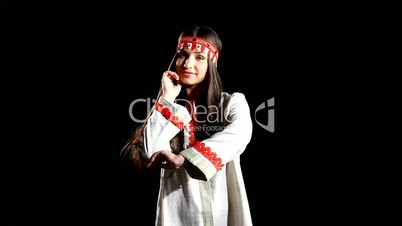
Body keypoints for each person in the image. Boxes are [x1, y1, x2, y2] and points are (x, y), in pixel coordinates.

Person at [122, 24, 253, 226]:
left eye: (199, 57)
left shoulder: (230, 103)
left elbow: (240, 133)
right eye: (183, 55)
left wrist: (182, 159)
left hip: (220, 212)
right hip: (177, 215)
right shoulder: (170, 109)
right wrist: (166, 97)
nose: (188, 64)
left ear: (211, 63)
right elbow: (149, 151)